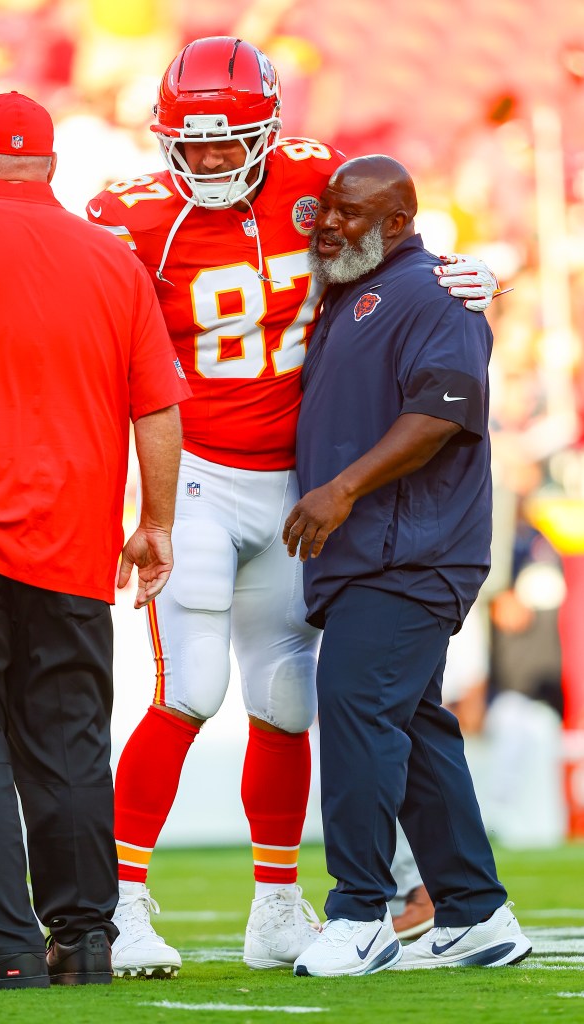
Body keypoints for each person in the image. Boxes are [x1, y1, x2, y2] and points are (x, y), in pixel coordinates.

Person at [87, 36, 502, 976]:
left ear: (268, 132)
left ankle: (278, 905)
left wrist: (470, 278)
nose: (209, 163)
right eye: (190, 147)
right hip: (189, 468)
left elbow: (396, 244)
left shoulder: (322, 178)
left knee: (284, 697)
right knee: (189, 688)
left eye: (229, 143)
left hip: (289, 483)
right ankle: (120, 903)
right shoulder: (131, 213)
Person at [0, 91, 190, 991]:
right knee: (68, 738)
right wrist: (157, 523)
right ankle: (85, 937)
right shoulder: (111, 258)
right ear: (52, 168)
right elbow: (160, 405)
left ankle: (5, 943)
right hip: (75, 536)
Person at [283, 155, 532, 977]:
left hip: (407, 550)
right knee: (412, 727)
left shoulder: (431, 291)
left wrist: (342, 489)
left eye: (351, 214)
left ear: (398, 222)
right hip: (378, 550)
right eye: (326, 209)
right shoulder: (349, 293)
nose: (330, 224)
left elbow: (445, 406)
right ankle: (475, 912)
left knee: (355, 709)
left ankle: (360, 912)